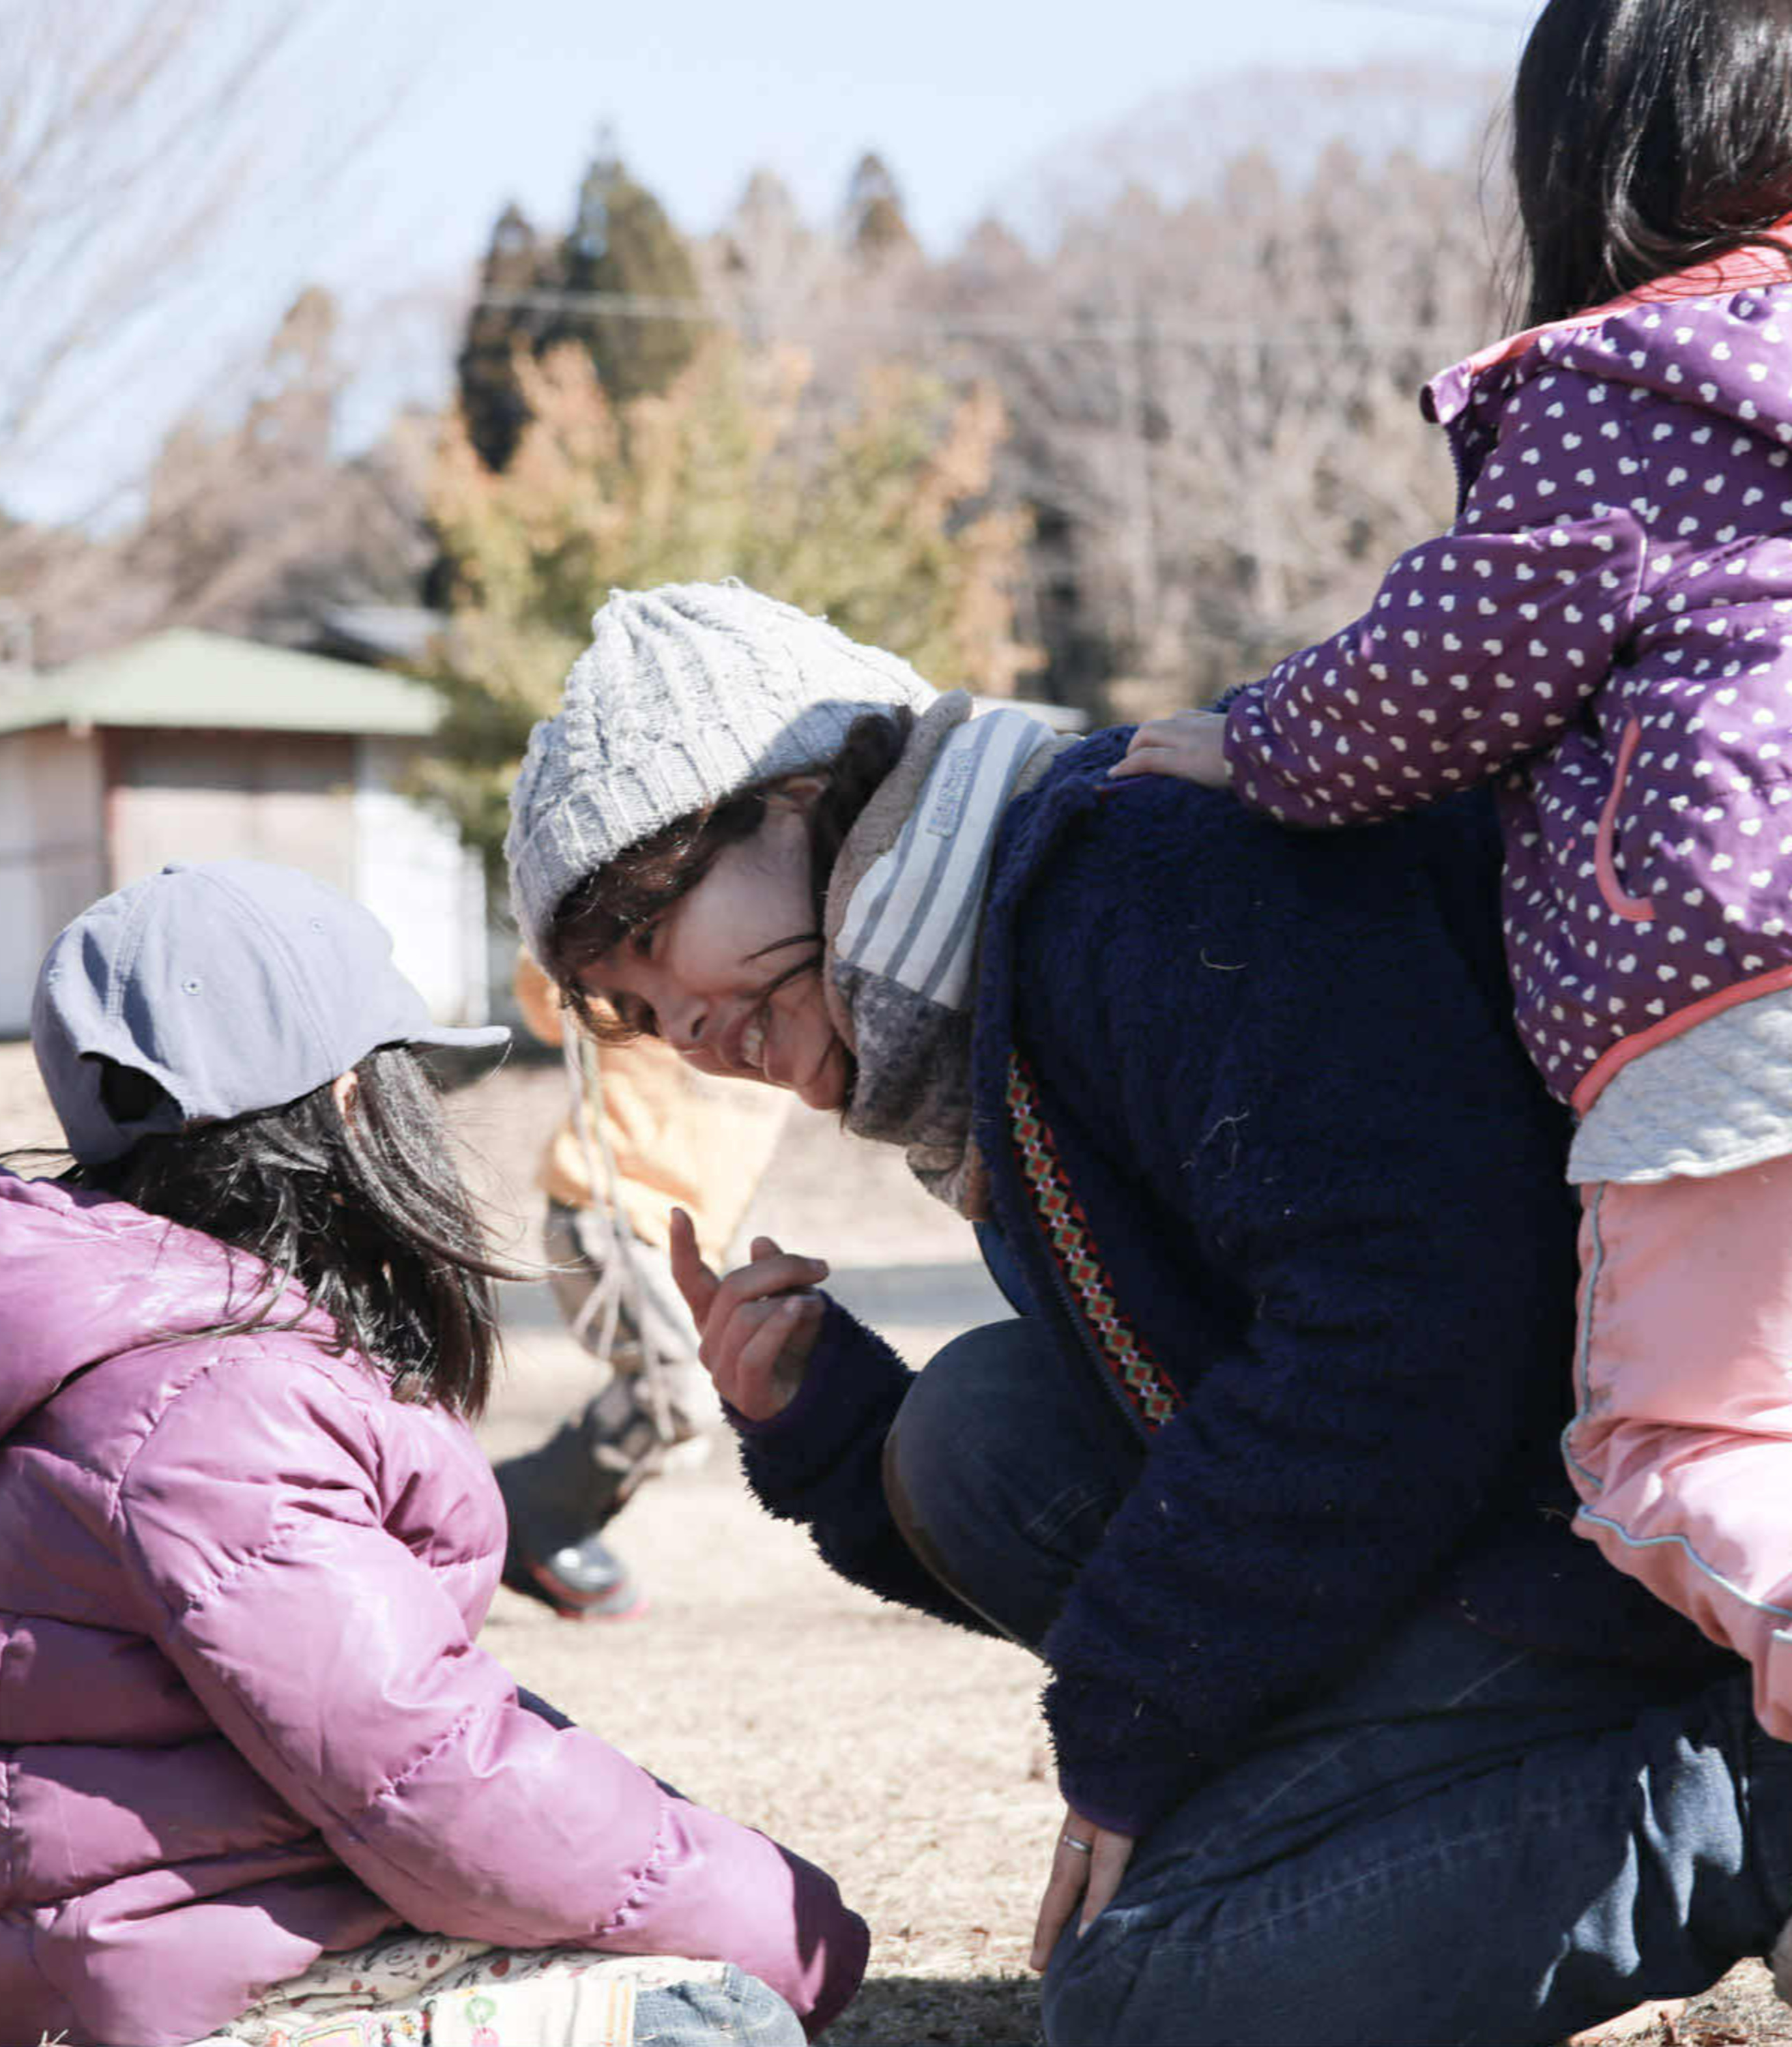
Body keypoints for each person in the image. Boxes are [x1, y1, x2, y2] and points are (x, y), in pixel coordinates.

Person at [504, 578, 1792, 2047]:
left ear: (801, 791)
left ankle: (1754, 1800)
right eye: (628, 1003)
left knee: (1138, 2003)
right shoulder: (1003, 979)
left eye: (657, 930)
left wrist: (1135, 1723)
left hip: (1613, 1553)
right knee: (962, 1433)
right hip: (1476, 1516)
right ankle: (1374, 1820)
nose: (682, 1026)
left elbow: (1408, 1335)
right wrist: (822, 1421)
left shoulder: (1141, 878)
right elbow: (1152, 1438)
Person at [0, 859, 865, 2047]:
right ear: (355, 1102)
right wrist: (794, 1927)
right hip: (204, 1996)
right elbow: (436, 1779)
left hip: (162, 1954)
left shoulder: (156, 1358)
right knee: (711, 2019)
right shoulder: (211, 1407)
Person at [1112, 0, 1792, 1745]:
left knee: (1681, 1449)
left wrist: (1249, 739)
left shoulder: (1631, 387)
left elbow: (1430, 685)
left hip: (1733, 997)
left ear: (1593, 153)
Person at [494, 950, 788, 1622]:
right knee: (673, 1391)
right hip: (610, 1210)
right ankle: (525, 1512)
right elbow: (545, 999)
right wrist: (557, 930)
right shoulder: (638, 980)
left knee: (697, 1409)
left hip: (688, 1239)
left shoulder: (778, 1007)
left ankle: (551, 1522)